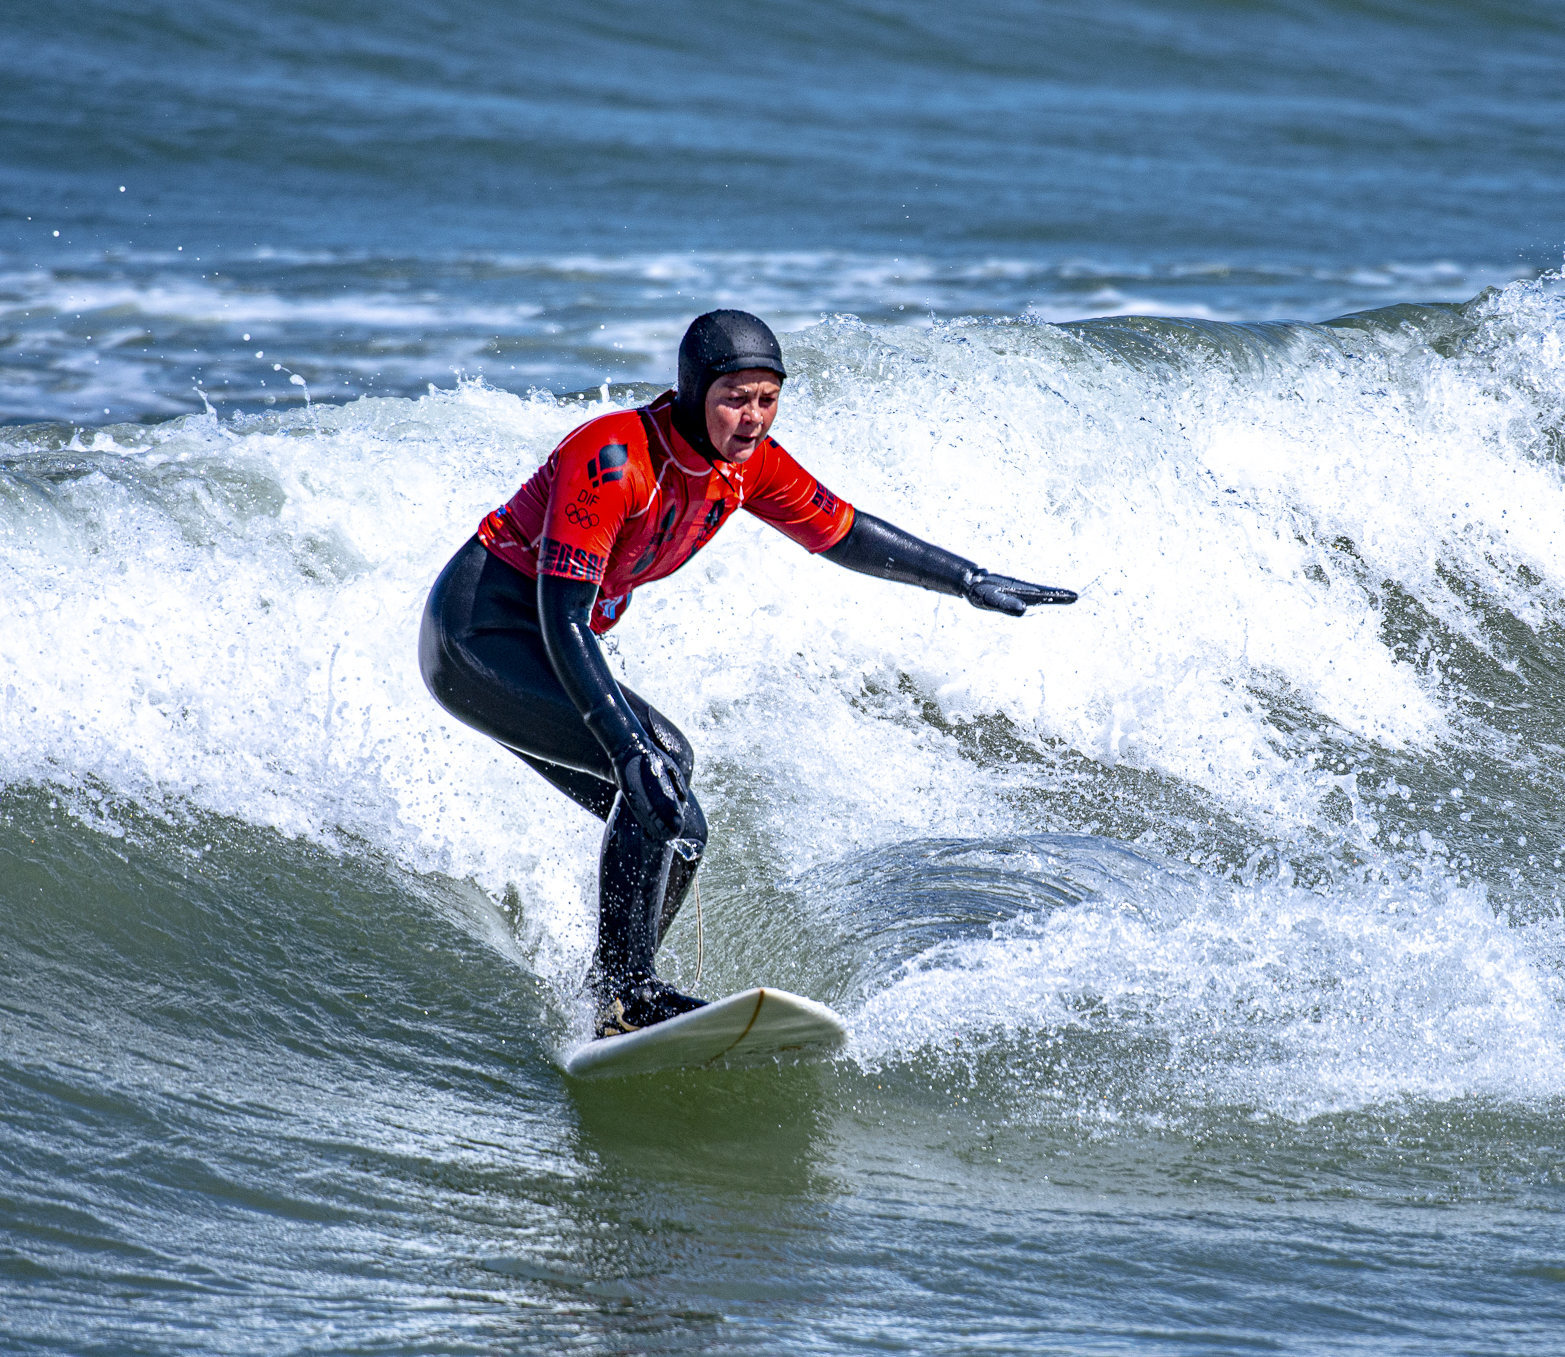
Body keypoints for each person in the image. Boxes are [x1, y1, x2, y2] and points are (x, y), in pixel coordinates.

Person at [419, 310, 1075, 1038]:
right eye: (735, 398)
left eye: (768, 398)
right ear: (693, 390)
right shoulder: (612, 459)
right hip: (478, 638)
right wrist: (628, 749)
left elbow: (843, 531)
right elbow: (563, 616)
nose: (754, 416)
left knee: (677, 821)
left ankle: (611, 996)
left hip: (549, 643)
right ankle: (626, 994)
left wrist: (966, 579)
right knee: (659, 762)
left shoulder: (746, 466)